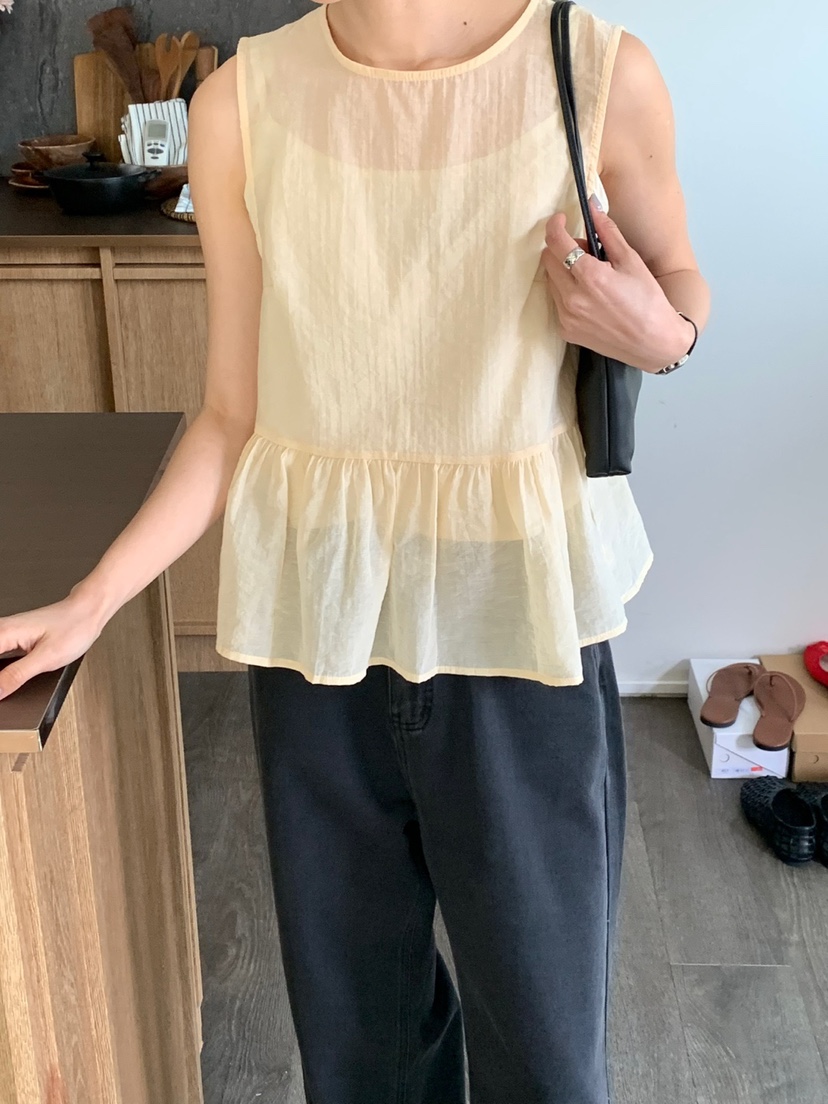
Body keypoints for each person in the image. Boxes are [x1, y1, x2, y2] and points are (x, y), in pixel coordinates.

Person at [0, 1, 710, 1100]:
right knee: (360, 1055)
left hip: (516, 633)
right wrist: (92, 600)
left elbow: (678, 276)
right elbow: (231, 415)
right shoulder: (241, 103)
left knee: (549, 1058)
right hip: (318, 640)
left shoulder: (593, 70)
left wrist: (665, 335)